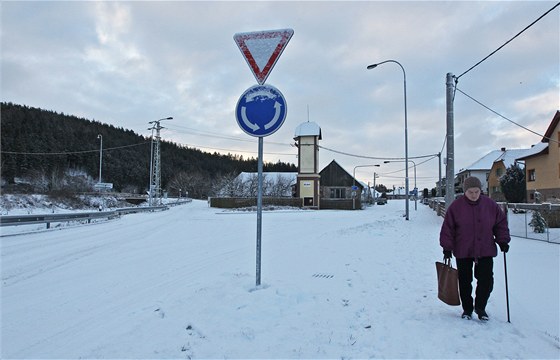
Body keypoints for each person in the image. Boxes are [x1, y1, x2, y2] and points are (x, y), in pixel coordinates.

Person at [439, 176, 511, 321]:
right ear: (465, 191)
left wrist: (502, 240)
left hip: (485, 248)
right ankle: (467, 309)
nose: (473, 195)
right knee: (465, 281)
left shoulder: (490, 205)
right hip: (463, 249)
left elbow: (500, 223)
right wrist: (447, 247)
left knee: (486, 281)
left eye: (476, 191)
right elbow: (448, 228)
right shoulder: (456, 207)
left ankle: (480, 307)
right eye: (470, 192)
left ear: (481, 191)